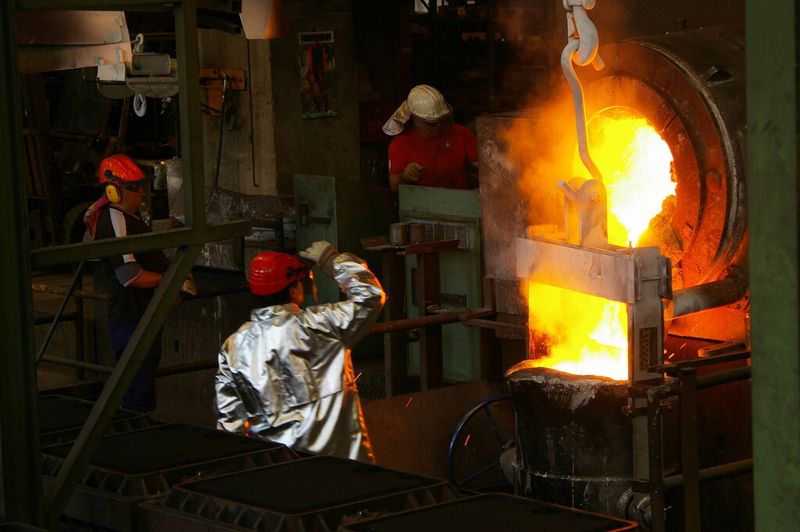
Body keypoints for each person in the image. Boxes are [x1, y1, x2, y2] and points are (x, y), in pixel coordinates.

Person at [215, 241, 385, 463]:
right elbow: (370, 296)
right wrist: (331, 260)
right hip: (342, 470)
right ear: (294, 288)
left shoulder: (234, 346)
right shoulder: (320, 325)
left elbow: (230, 421)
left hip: (278, 476)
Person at [84, 154, 193, 411]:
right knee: (135, 389)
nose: (142, 192)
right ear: (112, 191)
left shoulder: (126, 217)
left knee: (141, 381)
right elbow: (129, 275)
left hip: (141, 313)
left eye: (141, 185)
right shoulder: (115, 220)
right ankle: (134, 433)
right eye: (133, 187)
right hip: (131, 316)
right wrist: (171, 280)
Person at [383, 84, 479, 192]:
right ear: (415, 119)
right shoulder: (400, 145)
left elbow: (484, 165)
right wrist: (403, 176)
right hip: (420, 203)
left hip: (460, 199)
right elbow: (394, 186)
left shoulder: (461, 133)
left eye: (442, 120)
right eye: (432, 123)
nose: (439, 126)